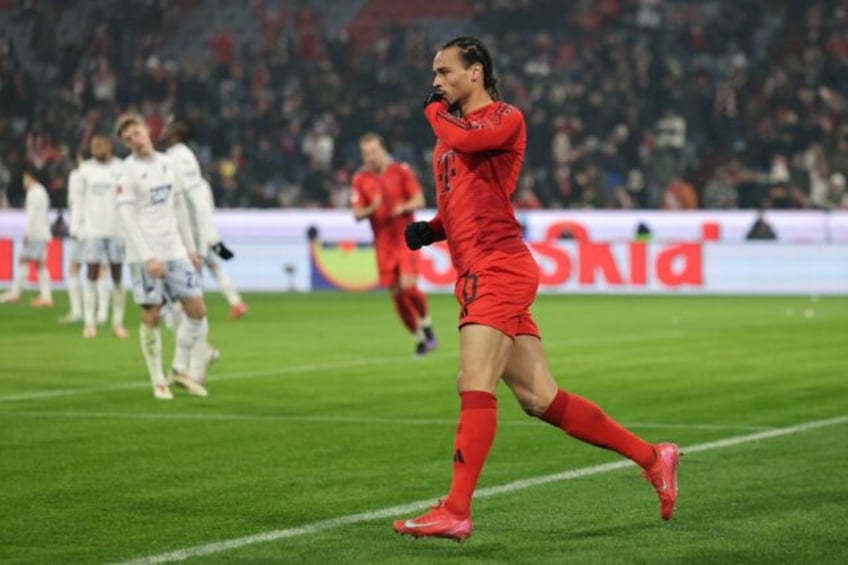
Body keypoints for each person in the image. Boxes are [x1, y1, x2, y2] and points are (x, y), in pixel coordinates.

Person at [392, 36, 679, 542]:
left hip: (498, 267)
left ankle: (457, 508)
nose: (435, 83)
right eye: (433, 76)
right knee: (539, 398)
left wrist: (432, 112)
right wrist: (432, 230)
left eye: (445, 72)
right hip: (481, 267)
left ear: (475, 71)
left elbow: (463, 143)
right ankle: (653, 457)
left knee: (472, 380)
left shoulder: (504, 118)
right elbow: (469, 200)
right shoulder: (453, 132)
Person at [115, 113, 211, 400]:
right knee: (152, 314)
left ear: (147, 130)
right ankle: (158, 381)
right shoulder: (127, 172)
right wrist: (148, 258)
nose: (135, 139)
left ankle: (179, 367)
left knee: (197, 310)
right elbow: (128, 219)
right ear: (125, 143)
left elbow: (180, 207)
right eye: (128, 138)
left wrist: (191, 248)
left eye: (137, 132)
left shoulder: (169, 164)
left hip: (176, 251)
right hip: (146, 254)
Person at [351, 132, 436, 356]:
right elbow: (357, 214)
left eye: (374, 152)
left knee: (408, 285)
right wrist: (372, 208)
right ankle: (418, 338)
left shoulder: (401, 171)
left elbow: (420, 199)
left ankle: (426, 324)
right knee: (397, 295)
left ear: (383, 150)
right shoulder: (360, 179)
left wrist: (404, 207)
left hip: (404, 238)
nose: (371, 157)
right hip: (382, 244)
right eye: (366, 153)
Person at [159, 116, 246, 319]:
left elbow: (192, 200)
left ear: (175, 135)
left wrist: (206, 236)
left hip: (191, 230)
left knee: (190, 269)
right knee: (212, 267)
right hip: (199, 228)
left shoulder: (177, 158)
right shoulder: (188, 161)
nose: (162, 132)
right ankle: (235, 302)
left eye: (167, 129)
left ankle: (192, 312)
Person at [71, 134, 130, 339]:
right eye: (95, 146)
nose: (98, 149)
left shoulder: (121, 168)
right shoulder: (85, 170)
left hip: (116, 230)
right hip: (93, 230)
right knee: (91, 274)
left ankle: (117, 322)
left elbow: (128, 199)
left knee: (117, 276)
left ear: (109, 147)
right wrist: (75, 226)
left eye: (101, 146)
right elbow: (77, 200)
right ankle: (89, 323)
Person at [0, 166, 53, 307]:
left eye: (25, 178)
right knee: (40, 264)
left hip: (35, 233)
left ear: (30, 177)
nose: (24, 181)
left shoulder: (32, 193)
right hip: (43, 232)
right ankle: (45, 297)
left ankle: (15, 293)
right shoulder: (42, 191)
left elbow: (31, 216)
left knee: (23, 260)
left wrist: (27, 234)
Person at [57, 149, 86, 324]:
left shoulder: (77, 175)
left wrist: (74, 227)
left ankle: (77, 312)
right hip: (101, 229)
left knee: (74, 268)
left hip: (81, 230)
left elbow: (75, 202)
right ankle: (102, 314)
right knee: (100, 271)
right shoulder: (108, 173)